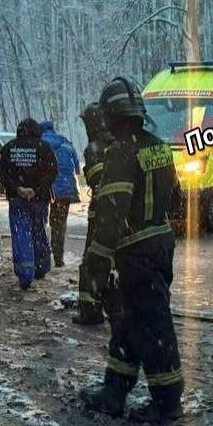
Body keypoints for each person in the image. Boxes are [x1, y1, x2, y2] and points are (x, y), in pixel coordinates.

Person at [79, 77, 184, 423]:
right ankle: (115, 390)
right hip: (158, 242)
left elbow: (111, 213)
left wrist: (96, 259)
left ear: (111, 115)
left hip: (134, 251)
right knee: (127, 322)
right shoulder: (159, 146)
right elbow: (178, 199)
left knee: (152, 325)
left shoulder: (122, 153)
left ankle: (166, 400)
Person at [0, 118, 58, 289]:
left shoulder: (9, 147)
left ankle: (25, 275)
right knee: (38, 231)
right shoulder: (44, 147)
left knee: (21, 234)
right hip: (39, 200)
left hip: (17, 199)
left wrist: (18, 188)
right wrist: (36, 190)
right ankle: (41, 267)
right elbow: (53, 172)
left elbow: (0, 172)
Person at [73, 103, 118, 326]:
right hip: (123, 214)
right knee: (115, 261)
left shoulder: (94, 149)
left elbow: (95, 179)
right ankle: (114, 305)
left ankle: (90, 309)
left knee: (92, 262)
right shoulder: (120, 143)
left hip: (100, 214)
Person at [40, 120, 81, 267]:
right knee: (60, 223)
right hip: (66, 189)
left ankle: (42, 257)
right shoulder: (66, 143)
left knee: (41, 220)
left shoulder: (40, 143)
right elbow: (77, 169)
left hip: (46, 189)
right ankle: (59, 257)